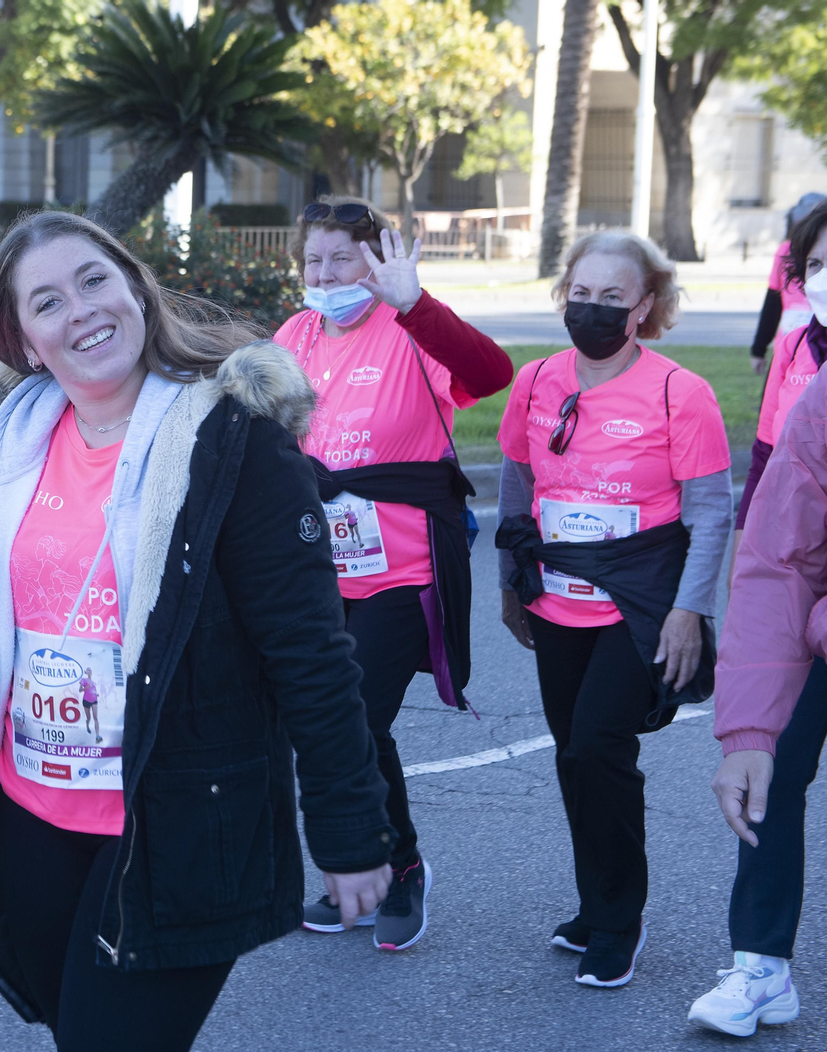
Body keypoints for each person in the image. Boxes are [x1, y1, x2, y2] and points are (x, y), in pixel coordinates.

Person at [0, 210, 395, 1051]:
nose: (81, 310)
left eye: (94, 280)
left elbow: (310, 654)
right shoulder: (4, 439)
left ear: (134, 286)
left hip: (178, 815)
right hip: (34, 816)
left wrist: (352, 831)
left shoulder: (232, 441)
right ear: (21, 336)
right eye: (47, 301)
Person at [274, 197, 514, 950]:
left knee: (354, 718)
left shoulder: (409, 330)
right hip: (316, 568)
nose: (324, 274)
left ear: (375, 262)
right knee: (336, 721)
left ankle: (398, 868)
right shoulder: (294, 334)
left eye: (341, 258)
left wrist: (417, 304)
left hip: (401, 570)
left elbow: (492, 371)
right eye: (313, 260)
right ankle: (367, 866)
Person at [495, 231, 733, 987]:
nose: (592, 310)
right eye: (581, 294)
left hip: (640, 602)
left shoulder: (678, 392)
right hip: (558, 595)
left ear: (646, 307)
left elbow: (711, 513)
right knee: (574, 757)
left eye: (612, 299)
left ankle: (620, 918)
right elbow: (515, 485)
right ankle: (594, 904)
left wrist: (689, 612)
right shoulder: (535, 380)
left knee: (599, 746)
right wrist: (512, 583)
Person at [689, 195, 827, 1037]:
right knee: (773, 778)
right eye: (819, 263)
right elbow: (779, 544)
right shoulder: (811, 368)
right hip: (815, 622)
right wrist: (746, 729)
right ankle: (760, 966)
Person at [749, 193, 827, 374]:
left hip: (823, 349)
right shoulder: (785, 251)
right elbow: (773, 303)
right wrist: (758, 349)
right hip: (786, 348)